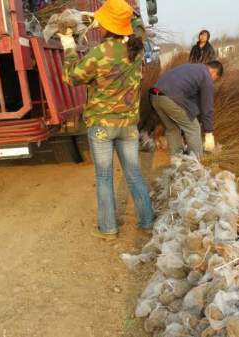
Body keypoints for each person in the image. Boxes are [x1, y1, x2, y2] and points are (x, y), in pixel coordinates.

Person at [60, 0, 154, 241]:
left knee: (104, 177)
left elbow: (71, 77)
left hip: (102, 125)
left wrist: (69, 45)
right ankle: (147, 222)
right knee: (133, 173)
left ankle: (109, 228)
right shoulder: (137, 47)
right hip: (129, 125)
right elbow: (138, 24)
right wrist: (121, 16)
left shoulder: (100, 52)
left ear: (108, 24)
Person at [150, 61, 224, 158]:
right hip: (170, 97)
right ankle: (195, 163)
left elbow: (192, 100)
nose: (213, 81)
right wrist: (208, 132)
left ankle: (177, 160)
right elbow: (207, 108)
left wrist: (197, 116)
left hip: (154, 95)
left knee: (172, 128)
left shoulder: (193, 68)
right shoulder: (206, 76)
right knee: (193, 128)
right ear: (214, 73)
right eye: (216, 79)